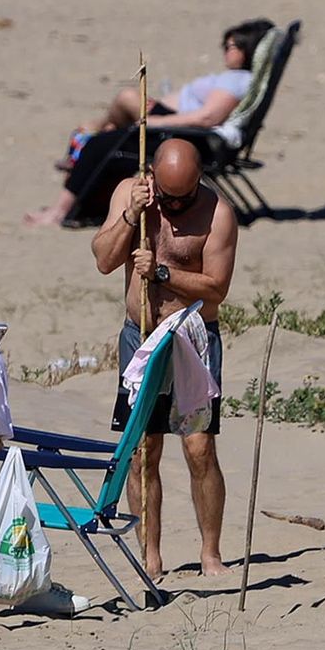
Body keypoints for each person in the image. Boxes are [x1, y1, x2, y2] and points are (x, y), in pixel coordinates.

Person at [92, 138, 236, 578]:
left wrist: (162, 273)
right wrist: (131, 215)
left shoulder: (218, 214)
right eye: (167, 198)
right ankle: (149, 553)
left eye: (184, 199)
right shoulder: (129, 194)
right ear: (151, 176)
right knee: (143, 448)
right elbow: (102, 259)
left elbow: (216, 288)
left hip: (193, 336)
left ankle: (210, 552)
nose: (174, 208)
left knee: (198, 447)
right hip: (142, 337)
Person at [25, 19, 275, 227]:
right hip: (182, 131)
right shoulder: (241, 79)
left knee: (97, 146)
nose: (225, 50)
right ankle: (97, 155)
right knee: (111, 135)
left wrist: (154, 121)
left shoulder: (236, 80)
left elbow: (207, 118)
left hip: (183, 135)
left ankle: (59, 211)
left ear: (247, 50)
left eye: (230, 46)